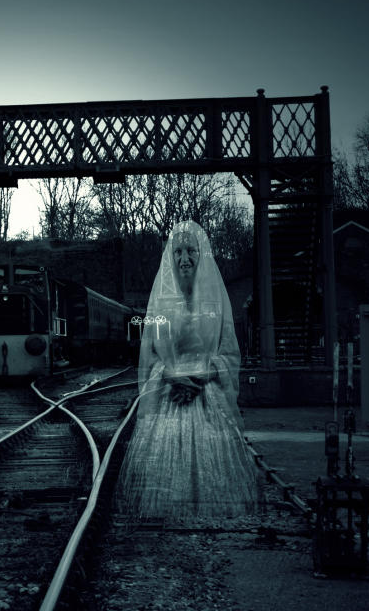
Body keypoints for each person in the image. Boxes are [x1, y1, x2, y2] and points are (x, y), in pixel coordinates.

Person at [116, 220, 259, 523]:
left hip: (208, 396)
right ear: (170, 257)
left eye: (190, 251)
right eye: (178, 252)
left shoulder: (216, 304)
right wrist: (170, 375)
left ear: (202, 254)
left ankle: (210, 511)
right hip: (170, 395)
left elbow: (230, 352)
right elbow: (149, 355)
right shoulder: (160, 305)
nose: (184, 258)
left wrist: (206, 374)